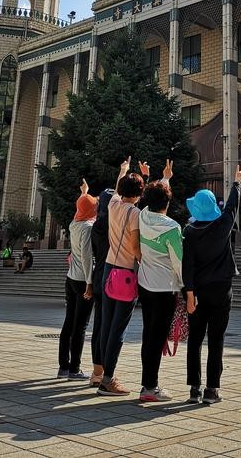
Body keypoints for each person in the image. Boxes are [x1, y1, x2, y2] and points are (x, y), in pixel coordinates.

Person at [183, 165, 241, 405]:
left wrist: (188, 293)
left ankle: (194, 389)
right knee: (216, 338)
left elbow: (186, 265)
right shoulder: (222, 226)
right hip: (221, 289)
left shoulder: (189, 232)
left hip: (196, 291)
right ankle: (212, 390)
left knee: (195, 339)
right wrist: (237, 182)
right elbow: (231, 207)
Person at [97, 157, 144, 397]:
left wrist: (123, 169)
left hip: (108, 269)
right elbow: (135, 247)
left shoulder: (113, 205)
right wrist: (144, 260)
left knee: (106, 323)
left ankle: (104, 373)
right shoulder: (134, 213)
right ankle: (108, 380)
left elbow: (117, 190)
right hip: (125, 271)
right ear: (138, 194)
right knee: (119, 327)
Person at [137, 161, 183, 403]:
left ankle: (147, 383)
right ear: (168, 202)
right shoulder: (172, 229)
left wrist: (165, 178)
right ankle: (149, 387)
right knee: (157, 337)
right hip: (165, 288)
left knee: (149, 334)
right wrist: (187, 288)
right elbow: (178, 263)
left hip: (145, 286)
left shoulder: (143, 216)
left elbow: (153, 197)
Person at [58, 178, 98, 380]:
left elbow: (81, 208)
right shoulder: (87, 228)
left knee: (68, 322)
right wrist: (90, 283)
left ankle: (63, 366)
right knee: (80, 325)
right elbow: (85, 256)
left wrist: (84, 192)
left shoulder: (74, 223)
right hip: (83, 280)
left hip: (70, 278)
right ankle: (75, 369)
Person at [89, 187, 115, 388]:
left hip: (98, 279)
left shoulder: (97, 226)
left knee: (98, 326)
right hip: (114, 279)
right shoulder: (115, 224)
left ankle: (97, 372)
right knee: (111, 327)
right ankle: (107, 374)